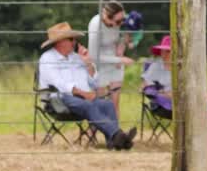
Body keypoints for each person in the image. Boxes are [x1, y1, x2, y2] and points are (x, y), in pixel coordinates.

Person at [38, 22, 136, 150]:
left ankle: (113, 143)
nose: (75, 42)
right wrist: (84, 93)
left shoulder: (76, 58)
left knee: (108, 104)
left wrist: (89, 64)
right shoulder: (47, 59)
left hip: (83, 100)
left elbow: (94, 83)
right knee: (88, 104)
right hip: (58, 100)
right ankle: (118, 135)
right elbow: (59, 84)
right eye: (71, 39)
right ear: (60, 42)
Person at [140, 35, 207, 151]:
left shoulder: (183, 67)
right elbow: (144, 87)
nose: (165, 54)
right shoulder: (155, 67)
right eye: (163, 51)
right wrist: (161, 93)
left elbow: (192, 87)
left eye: (168, 51)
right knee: (193, 107)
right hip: (163, 104)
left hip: (185, 99)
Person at [87, 0, 134, 117]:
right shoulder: (95, 25)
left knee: (114, 104)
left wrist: (123, 44)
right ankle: (91, 133)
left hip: (115, 61)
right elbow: (93, 56)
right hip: (99, 64)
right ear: (106, 16)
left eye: (122, 20)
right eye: (118, 21)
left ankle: (116, 133)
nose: (120, 23)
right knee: (100, 104)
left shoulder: (118, 21)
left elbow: (120, 38)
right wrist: (120, 60)